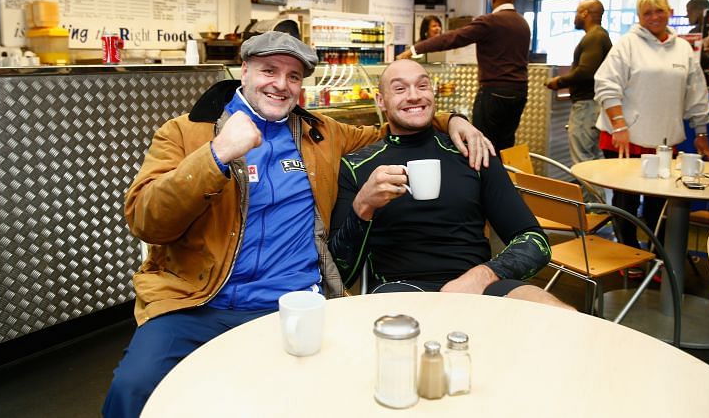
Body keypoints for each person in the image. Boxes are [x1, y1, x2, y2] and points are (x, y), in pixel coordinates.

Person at [101, 32, 492, 417]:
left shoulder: (321, 133)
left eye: (292, 77)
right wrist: (216, 155)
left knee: (348, 390)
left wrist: (451, 119)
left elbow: (391, 130)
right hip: (196, 300)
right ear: (244, 71)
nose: (281, 84)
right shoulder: (185, 132)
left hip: (295, 304)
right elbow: (145, 219)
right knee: (133, 389)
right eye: (269, 70)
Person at [328, 59, 573, 310]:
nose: (414, 96)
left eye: (422, 86)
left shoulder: (473, 152)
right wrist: (363, 207)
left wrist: (483, 275)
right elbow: (339, 274)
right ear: (381, 100)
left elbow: (535, 242)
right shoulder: (357, 167)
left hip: (480, 287)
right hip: (400, 290)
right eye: (400, 89)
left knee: (563, 317)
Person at [594, 0, 709, 251]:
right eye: (647, 12)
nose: (654, 17)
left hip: (664, 139)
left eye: (659, 10)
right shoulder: (627, 44)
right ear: (639, 16)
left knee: (658, 203)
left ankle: (658, 255)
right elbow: (605, 85)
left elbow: (696, 93)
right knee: (626, 202)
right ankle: (628, 252)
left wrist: (701, 132)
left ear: (670, 12)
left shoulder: (683, 48)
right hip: (624, 137)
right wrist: (620, 125)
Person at [396, 0, 530, 151]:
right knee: (506, 143)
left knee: (483, 143)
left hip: (495, 92)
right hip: (519, 92)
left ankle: (486, 177)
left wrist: (414, 49)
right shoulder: (523, 23)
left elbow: (454, 38)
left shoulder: (490, 21)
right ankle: (506, 176)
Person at [545, 0, 612, 202]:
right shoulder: (601, 36)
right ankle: (600, 206)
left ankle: (593, 210)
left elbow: (586, 71)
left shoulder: (594, 37)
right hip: (594, 105)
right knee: (592, 159)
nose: (574, 17)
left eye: (576, 12)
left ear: (585, 13)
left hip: (586, 106)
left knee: (582, 161)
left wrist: (559, 81)